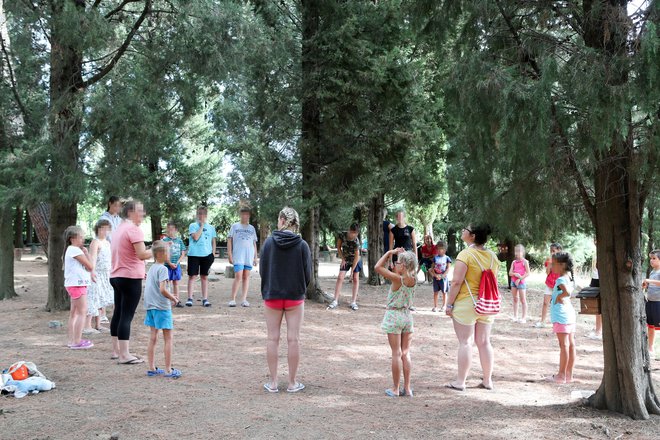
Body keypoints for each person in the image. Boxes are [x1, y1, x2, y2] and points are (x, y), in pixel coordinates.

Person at [260, 207, 311, 393]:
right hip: (294, 298)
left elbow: (263, 270)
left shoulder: (268, 243)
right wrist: (299, 289)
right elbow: (308, 274)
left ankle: (273, 383)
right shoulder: (302, 245)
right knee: (293, 340)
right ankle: (292, 383)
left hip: (272, 296)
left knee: (272, 338)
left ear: (282, 220)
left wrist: (268, 289)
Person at [445, 224, 498, 391]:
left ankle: (461, 381)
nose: (462, 231)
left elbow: (456, 282)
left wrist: (449, 303)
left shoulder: (465, 255)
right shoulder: (492, 256)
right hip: (486, 303)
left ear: (473, 236)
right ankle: (488, 380)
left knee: (465, 342)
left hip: (467, 303)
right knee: (484, 342)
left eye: (465, 230)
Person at [110, 200, 151, 364]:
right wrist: (158, 249)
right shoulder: (134, 230)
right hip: (129, 277)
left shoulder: (119, 228)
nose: (143, 214)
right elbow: (141, 254)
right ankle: (124, 355)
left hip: (116, 276)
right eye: (140, 211)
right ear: (130, 212)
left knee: (118, 313)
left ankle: (116, 351)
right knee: (126, 315)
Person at [375, 248, 417, 397]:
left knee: (396, 353)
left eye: (397, 262)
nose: (395, 264)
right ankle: (407, 388)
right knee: (406, 353)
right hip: (407, 316)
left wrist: (389, 252)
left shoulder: (397, 279)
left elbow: (377, 267)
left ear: (403, 266)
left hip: (394, 315)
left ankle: (395, 388)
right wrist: (406, 256)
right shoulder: (414, 279)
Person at [144, 241, 182, 378]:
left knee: (153, 337)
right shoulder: (163, 269)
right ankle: (168, 370)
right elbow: (162, 289)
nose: (170, 254)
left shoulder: (152, 268)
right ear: (160, 254)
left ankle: (152, 368)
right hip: (161, 307)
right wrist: (173, 298)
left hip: (150, 307)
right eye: (168, 251)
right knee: (168, 338)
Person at [64, 226, 95, 350]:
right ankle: (77, 341)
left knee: (75, 313)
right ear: (72, 239)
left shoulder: (71, 250)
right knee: (82, 312)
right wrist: (87, 254)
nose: (83, 239)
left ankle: (72, 340)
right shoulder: (74, 250)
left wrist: (86, 253)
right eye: (81, 237)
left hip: (74, 283)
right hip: (78, 284)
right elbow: (90, 266)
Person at [547, 252, 576, 383]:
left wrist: (559, 297)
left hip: (561, 315)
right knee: (570, 345)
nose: (551, 266)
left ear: (562, 265)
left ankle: (561, 375)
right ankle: (568, 375)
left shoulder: (560, 279)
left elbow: (567, 292)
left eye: (553, 264)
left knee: (564, 345)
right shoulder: (569, 276)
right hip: (569, 314)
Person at [83, 219, 113, 334]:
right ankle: (87, 326)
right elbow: (93, 258)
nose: (105, 231)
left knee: (101, 299)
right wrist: (92, 271)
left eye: (107, 229)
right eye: (102, 228)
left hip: (106, 274)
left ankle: (98, 324)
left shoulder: (107, 243)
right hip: (97, 273)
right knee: (93, 298)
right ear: (98, 230)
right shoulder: (95, 242)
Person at [228, 207, 258, 308]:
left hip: (248, 256)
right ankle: (232, 299)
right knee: (238, 276)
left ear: (249, 215)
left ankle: (244, 299)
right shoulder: (235, 226)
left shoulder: (252, 228)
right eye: (243, 214)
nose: (245, 216)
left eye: (247, 214)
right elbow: (229, 240)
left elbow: (254, 243)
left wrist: (255, 257)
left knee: (246, 277)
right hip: (238, 255)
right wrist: (229, 254)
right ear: (240, 215)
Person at [186, 206, 216, 307]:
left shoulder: (211, 228)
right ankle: (190, 298)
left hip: (207, 255)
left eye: (203, 214)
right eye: (199, 213)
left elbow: (213, 241)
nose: (201, 216)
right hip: (194, 254)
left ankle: (205, 299)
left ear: (206, 215)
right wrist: (202, 226)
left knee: (204, 277)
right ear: (197, 214)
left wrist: (213, 254)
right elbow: (195, 237)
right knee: (192, 276)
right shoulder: (193, 225)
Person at [328, 224, 362, 310]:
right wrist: (343, 259)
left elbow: (357, 257)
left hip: (355, 259)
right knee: (340, 277)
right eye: (352, 232)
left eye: (355, 233)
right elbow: (339, 247)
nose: (354, 235)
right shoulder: (342, 235)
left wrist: (352, 271)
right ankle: (335, 300)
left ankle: (353, 302)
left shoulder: (356, 242)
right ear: (349, 230)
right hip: (346, 258)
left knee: (355, 278)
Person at [534, 243, 562, 328]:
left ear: (559, 250)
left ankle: (559, 322)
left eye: (554, 251)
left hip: (558, 285)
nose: (552, 253)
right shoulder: (549, 260)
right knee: (545, 303)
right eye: (551, 251)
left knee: (558, 304)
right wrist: (550, 264)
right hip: (549, 283)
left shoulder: (563, 261)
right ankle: (542, 322)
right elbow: (547, 273)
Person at [162, 222, 186, 308]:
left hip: (176, 265)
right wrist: (169, 263)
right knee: (166, 283)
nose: (170, 231)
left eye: (172, 229)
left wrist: (177, 263)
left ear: (176, 230)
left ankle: (177, 300)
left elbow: (183, 253)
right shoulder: (164, 241)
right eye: (168, 230)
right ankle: (167, 301)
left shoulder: (179, 240)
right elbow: (162, 253)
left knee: (176, 283)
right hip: (166, 266)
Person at [642, 250, 660, 359]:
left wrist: (648, 280)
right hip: (650, 302)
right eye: (651, 258)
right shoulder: (653, 272)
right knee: (651, 326)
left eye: (654, 258)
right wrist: (645, 285)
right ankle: (650, 348)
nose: (651, 261)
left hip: (658, 302)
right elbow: (651, 284)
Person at [508, 244, 530, 324]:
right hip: (513, 282)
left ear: (523, 252)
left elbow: (528, 273)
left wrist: (520, 278)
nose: (517, 253)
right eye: (516, 251)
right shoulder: (514, 262)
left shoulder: (525, 262)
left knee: (523, 300)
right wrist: (515, 274)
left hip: (521, 283)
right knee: (515, 299)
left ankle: (524, 317)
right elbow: (510, 273)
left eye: (519, 251)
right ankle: (515, 316)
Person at [586, 245, 602, 340]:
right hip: (595, 279)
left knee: (601, 306)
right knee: (596, 306)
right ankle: (598, 330)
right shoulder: (596, 251)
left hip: (602, 279)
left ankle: (600, 331)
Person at [431, 241, 452, 312]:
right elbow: (432, 268)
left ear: (445, 250)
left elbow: (448, 268)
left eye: (441, 249)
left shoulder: (447, 258)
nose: (439, 250)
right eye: (438, 249)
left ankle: (444, 306)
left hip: (444, 278)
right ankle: (435, 306)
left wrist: (443, 275)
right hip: (436, 277)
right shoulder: (435, 258)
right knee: (435, 292)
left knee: (444, 292)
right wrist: (435, 275)